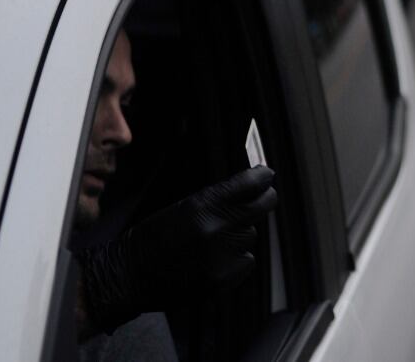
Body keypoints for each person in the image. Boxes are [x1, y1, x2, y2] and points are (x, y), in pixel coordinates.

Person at [72, 29, 278, 360]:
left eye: (125, 103)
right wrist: (99, 290)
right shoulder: (126, 327)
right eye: (95, 93)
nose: (123, 132)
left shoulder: (132, 323)